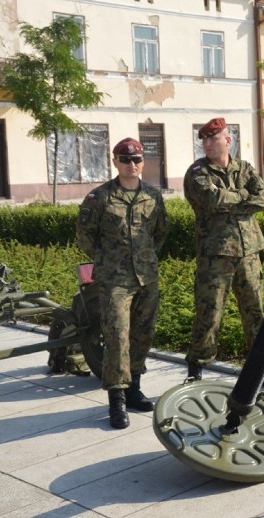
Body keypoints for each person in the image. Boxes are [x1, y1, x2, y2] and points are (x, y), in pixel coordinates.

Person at [76, 137, 169, 429]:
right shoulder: (99, 197)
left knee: (143, 333)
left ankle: (134, 388)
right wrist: (107, 260)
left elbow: (160, 232)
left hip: (146, 277)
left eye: (137, 159)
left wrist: (144, 259)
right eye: (125, 159)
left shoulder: (153, 196)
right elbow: (85, 237)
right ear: (115, 161)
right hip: (114, 279)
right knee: (116, 335)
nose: (132, 165)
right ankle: (116, 399)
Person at [183, 117, 264, 387]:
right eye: (203, 139)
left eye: (212, 138)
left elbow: (263, 198)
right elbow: (211, 199)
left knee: (255, 312)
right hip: (215, 254)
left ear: (228, 140)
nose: (207, 143)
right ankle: (197, 367)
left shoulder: (245, 168)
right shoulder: (197, 172)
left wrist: (232, 197)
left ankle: (263, 367)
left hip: (249, 251)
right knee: (209, 312)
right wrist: (243, 197)